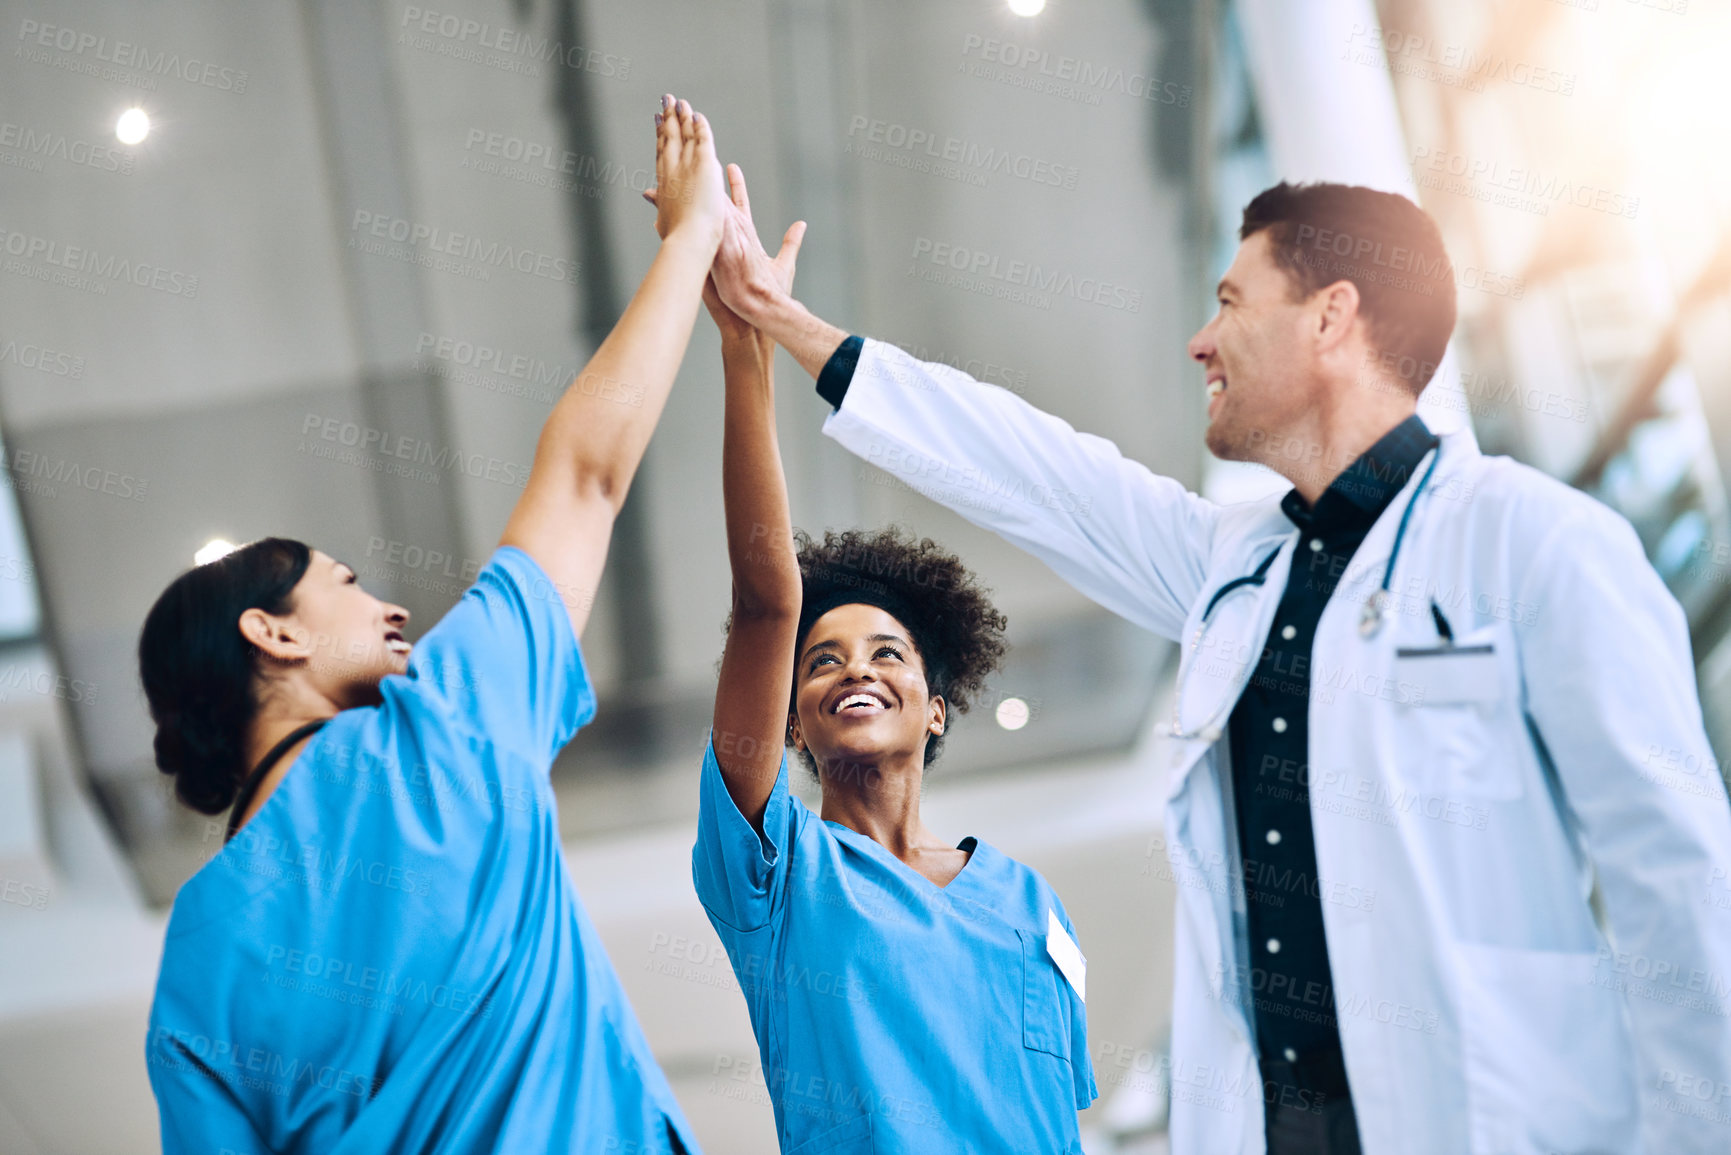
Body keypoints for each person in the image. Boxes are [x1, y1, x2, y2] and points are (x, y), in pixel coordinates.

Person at [696, 170, 1731, 1153]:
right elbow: (1041, 471)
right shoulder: (1232, 571)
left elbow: (1678, 882)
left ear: (1331, 316)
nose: (1201, 341)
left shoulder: (1537, 544)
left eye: (1232, 303)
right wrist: (788, 327)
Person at [137, 95, 726, 1155]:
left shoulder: (195, 963)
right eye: (347, 583)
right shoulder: (444, 721)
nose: (392, 606)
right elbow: (587, 475)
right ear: (273, 635)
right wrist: (690, 243)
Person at [667, 163, 1096, 1153]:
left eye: (887, 653)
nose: (856, 669)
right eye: (822, 663)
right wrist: (748, 346)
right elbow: (768, 603)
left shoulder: (1028, 902)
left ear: (935, 708)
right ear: (791, 721)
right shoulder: (777, 877)